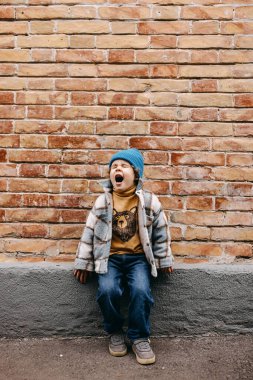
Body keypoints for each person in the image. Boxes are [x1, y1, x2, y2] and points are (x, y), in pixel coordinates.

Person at [74, 148, 173, 365]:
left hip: (138, 259)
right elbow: (89, 232)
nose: (117, 169)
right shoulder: (103, 201)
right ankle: (115, 332)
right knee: (107, 291)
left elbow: (161, 231)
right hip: (110, 259)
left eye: (123, 166)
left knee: (141, 291)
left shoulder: (149, 201)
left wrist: (164, 259)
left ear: (136, 174)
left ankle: (139, 337)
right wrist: (84, 263)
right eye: (113, 167)